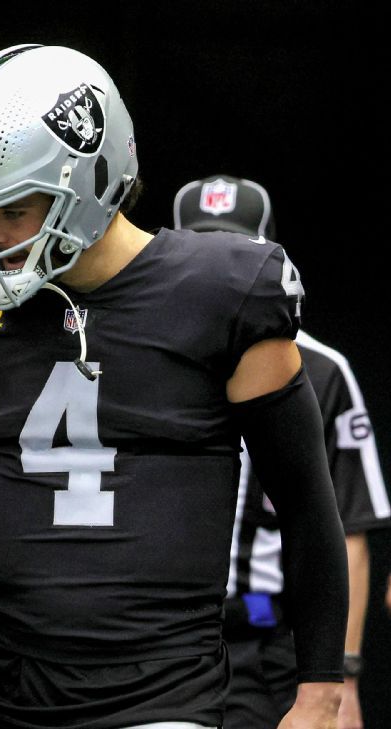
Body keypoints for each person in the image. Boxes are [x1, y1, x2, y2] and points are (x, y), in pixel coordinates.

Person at [0, 44, 348, 728]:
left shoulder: (225, 292)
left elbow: (308, 508)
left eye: (11, 210)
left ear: (90, 180)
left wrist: (320, 691)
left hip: (155, 699)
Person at [173, 174, 390, 729]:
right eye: (201, 245)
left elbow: (348, 528)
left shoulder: (320, 369)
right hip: (160, 636)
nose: (220, 264)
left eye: (236, 246)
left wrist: (341, 676)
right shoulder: (142, 355)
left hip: (269, 642)